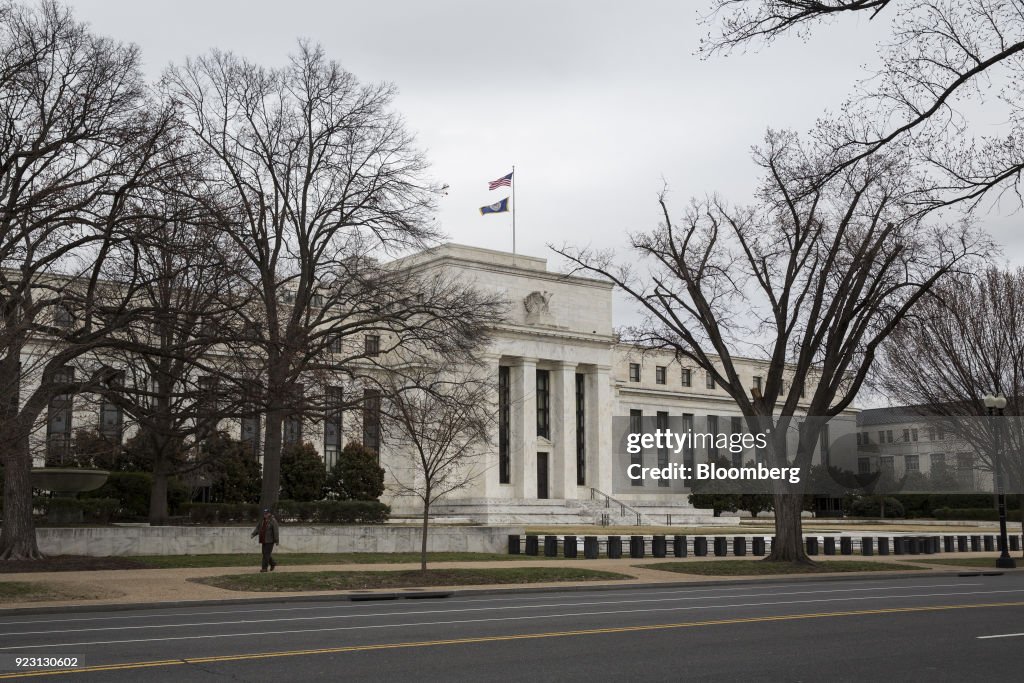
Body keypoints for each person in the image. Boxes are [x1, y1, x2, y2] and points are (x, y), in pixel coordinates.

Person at [251, 508, 280, 572]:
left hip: (270, 540)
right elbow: (258, 528)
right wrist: (253, 534)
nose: (265, 514)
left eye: (266, 513)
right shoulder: (262, 520)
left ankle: (264, 568)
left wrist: (277, 540)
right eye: (264, 513)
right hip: (263, 539)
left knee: (266, 554)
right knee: (265, 553)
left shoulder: (273, 521)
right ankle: (273, 563)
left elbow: (276, 531)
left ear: (269, 514)